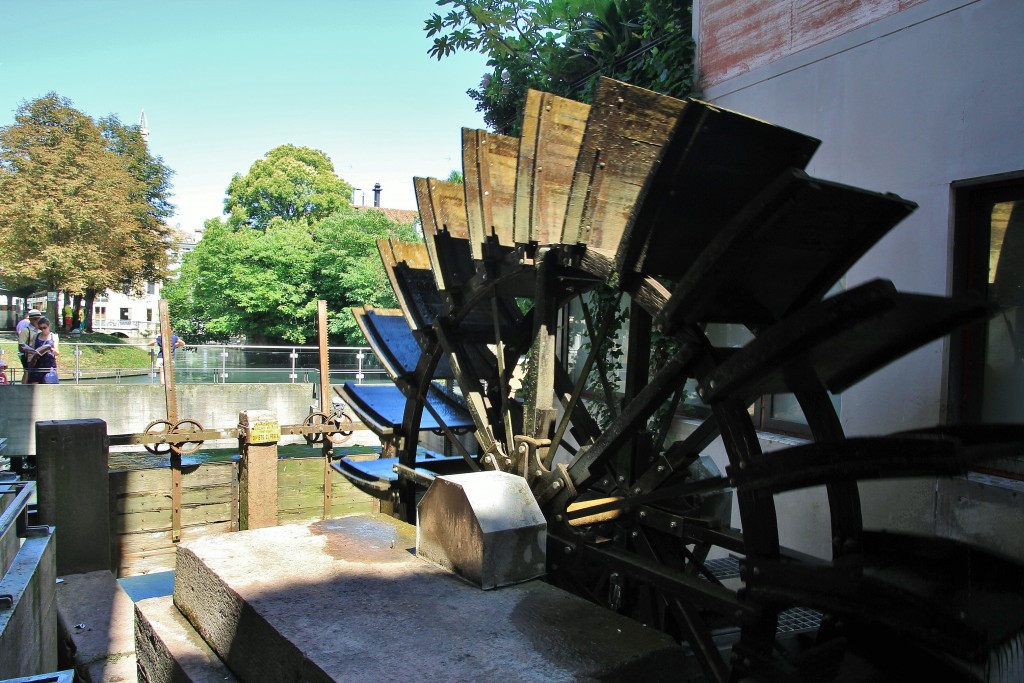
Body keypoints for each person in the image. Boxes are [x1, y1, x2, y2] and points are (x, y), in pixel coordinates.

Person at [26, 317, 59, 384]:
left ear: (49, 326)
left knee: (49, 384)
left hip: (48, 364)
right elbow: (33, 349)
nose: (43, 330)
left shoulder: (53, 336)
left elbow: (57, 353)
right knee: (34, 385)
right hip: (37, 363)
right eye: (40, 328)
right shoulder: (36, 336)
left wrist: (51, 349)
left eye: (44, 327)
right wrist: (30, 351)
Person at [16, 309, 42, 384]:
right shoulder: (25, 330)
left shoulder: (40, 330)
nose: (37, 321)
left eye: (39, 319)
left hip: (38, 356)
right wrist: (31, 351)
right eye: (35, 319)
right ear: (30, 319)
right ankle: (23, 389)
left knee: (36, 374)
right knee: (27, 372)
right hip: (28, 356)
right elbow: (22, 345)